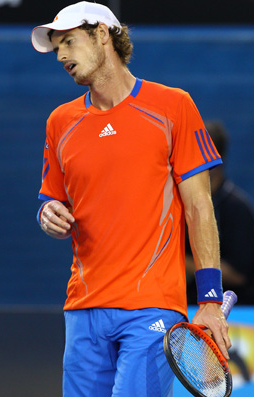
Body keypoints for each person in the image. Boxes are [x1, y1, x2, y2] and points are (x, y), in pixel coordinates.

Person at [31, 2, 231, 396]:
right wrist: (47, 214)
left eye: (69, 41)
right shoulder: (60, 123)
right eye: (57, 49)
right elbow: (51, 201)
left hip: (151, 307)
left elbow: (199, 207)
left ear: (103, 33)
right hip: (82, 310)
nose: (63, 56)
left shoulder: (174, 106)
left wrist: (208, 296)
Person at [185, 120, 254, 305]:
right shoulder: (180, 204)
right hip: (187, 308)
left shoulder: (238, 209)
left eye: (197, 155)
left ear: (216, 158)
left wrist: (182, 262)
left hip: (234, 313)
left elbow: (239, 275)